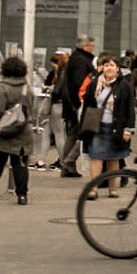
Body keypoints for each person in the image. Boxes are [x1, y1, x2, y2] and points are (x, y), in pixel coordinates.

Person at [0, 55, 34, 205]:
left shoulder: (3, 88)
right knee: (20, 163)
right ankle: (22, 195)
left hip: (3, 131)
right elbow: (30, 107)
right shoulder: (26, 87)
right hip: (23, 130)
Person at [80, 55, 134, 194]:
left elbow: (129, 108)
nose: (109, 68)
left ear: (117, 68)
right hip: (97, 126)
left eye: (112, 65)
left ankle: (112, 188)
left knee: (113, 158)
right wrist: (83, 124)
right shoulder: (95, 83)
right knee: (96, 157)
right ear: (102, 68)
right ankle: (93, 188)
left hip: (117, 126)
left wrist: (128, 129)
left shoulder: (124, 85)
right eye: (106, 65)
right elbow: (87, 105)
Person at [56, 35, 95, 178]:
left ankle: (67, 165)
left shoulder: (75, 58)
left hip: (71, 103)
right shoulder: (81, 60)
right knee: (82, 134)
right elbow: (80, 83)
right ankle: (68, 162)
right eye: (91, 46)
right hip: (77, 104)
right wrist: (82, 101)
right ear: (85, 46)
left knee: (73, 135)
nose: (92, 48)